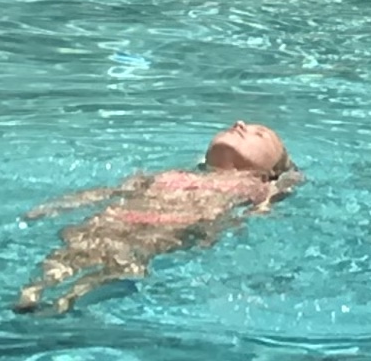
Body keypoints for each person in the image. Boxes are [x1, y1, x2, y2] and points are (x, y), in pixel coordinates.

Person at [17, 121, 297, 312]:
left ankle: (67, 300)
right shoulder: (172, 174)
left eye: (259, 134)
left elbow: (268, 203)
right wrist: (62, 204)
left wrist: (282, 187)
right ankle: (32, 292)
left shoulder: (254, 185)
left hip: (165, 231)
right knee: (71, 252)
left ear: (269, 171)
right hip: (115, 218)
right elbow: (110, 192)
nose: (239, 124)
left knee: (120, 264)